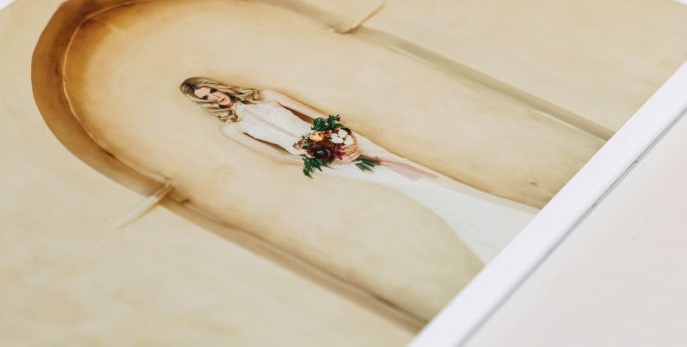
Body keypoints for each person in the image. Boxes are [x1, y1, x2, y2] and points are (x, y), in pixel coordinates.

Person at [179, 77, 538, 263]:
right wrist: (321, 160)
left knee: (416, 174)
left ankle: (501, 219)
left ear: (216, 85)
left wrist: (343, 141)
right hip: (325, 163)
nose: (214, 97)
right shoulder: (233, 129)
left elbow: (318, 116)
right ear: (203, 104)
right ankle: (493, 233)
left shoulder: (267, 95)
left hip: (348, 141)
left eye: (211, 90)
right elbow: (276, 157)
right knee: (412, 186)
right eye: (205, 98)